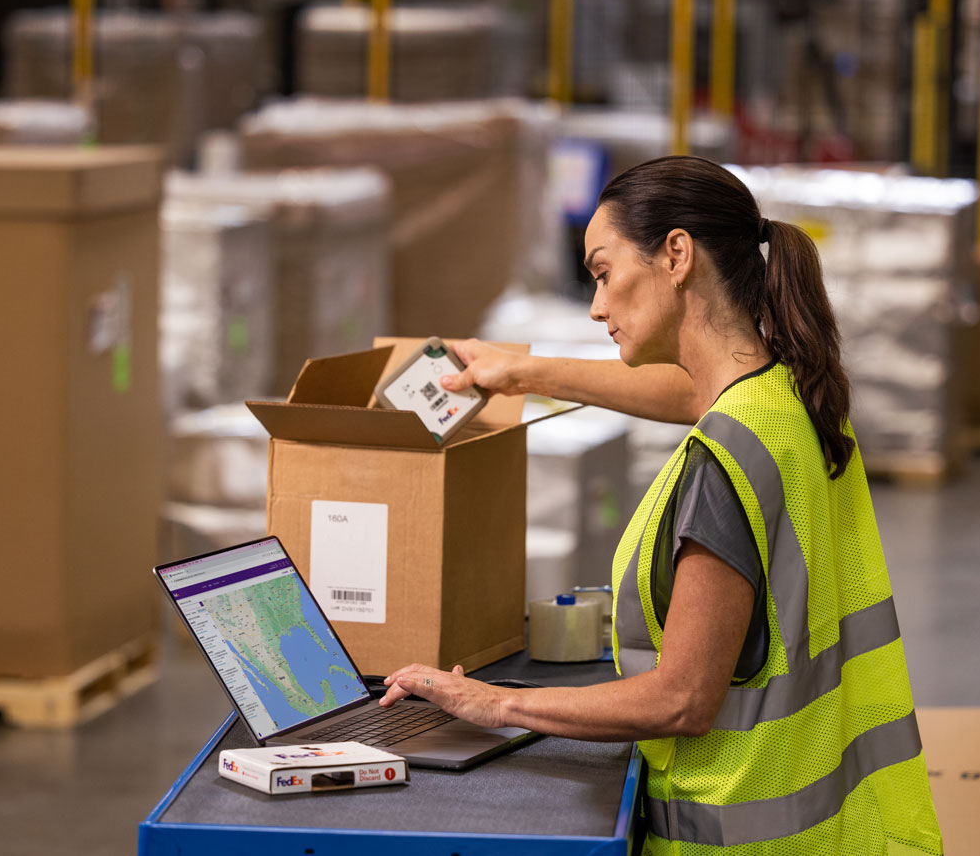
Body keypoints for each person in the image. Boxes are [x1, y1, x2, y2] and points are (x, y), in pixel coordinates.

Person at [378, 156, 943, 855]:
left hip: (734, 836)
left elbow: (682, 699)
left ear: (676, 254)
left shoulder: (723, 466)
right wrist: (518, 371)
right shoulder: (792, 395)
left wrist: (491, 705)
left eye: (603, 271)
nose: (595, 305)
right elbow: (688, 393)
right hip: (844, 824)